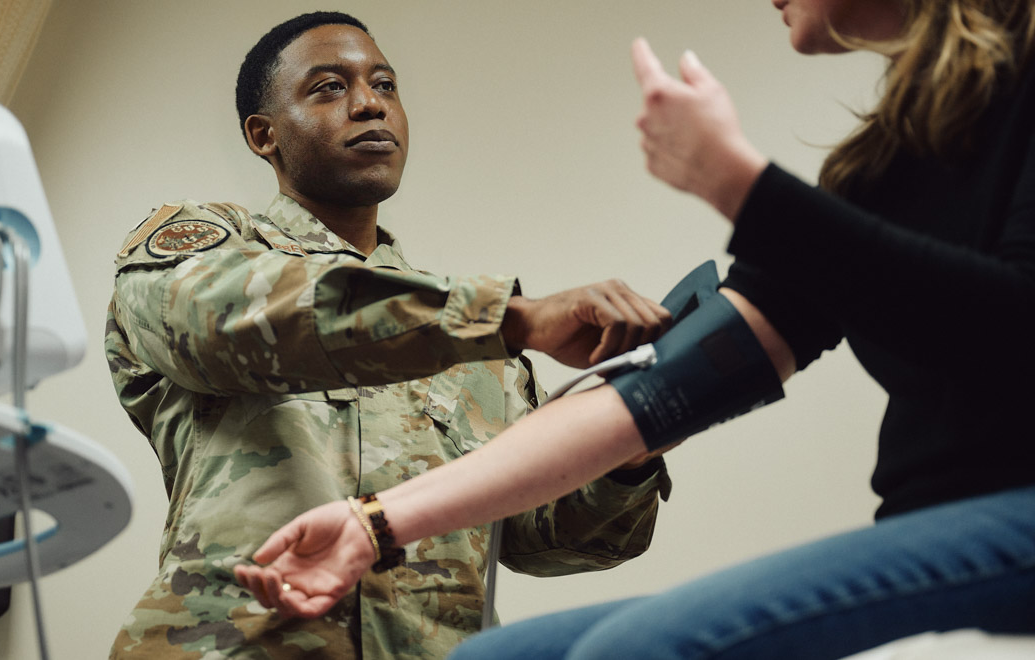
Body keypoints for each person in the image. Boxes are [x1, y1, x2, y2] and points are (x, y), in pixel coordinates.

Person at [235, 1, 1035, 657]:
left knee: (637, 651)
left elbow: (1011, 330)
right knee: (492, 659)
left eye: (382, 82)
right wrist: (376, 524)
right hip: (936, 528)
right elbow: (670, 386)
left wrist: (742, 189)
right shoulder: (882, 167)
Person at [103, 11, 676, 659]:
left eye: (385, 84)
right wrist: (506, 317)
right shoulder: (203, 247)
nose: (370, 103)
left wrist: (631, 449)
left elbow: (546, 538)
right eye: (329, 87)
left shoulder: (482, 354)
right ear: (264, 136)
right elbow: (226, 323)